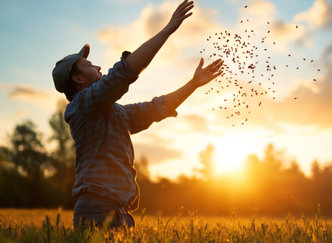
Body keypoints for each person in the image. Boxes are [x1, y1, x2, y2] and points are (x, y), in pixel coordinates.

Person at [51, 0, 223, 228]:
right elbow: (123, 73)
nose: (99, 68)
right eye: (90, 65)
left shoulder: (113, 112)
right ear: (79, 79)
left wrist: (193, 84)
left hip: (117, 212)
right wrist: (168, 29)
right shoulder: (82, 106)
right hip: (96, 211)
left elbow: (155, 108)